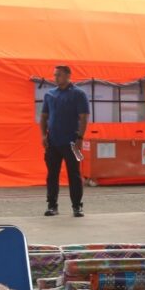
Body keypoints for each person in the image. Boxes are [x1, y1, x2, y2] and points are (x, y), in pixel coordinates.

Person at [40, 65, 90, 217]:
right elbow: (43, 117)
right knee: (52, 175)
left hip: (72, 143)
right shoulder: (49, 94)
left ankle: (77, 206)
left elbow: (83, 118)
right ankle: (52, 206)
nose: (55, 78)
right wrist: (43, 135)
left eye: (59, 75)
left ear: (68, 75)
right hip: (53, 142)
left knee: (74, 174)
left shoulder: (79, 94)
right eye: (55, 75)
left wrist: (80, 138)